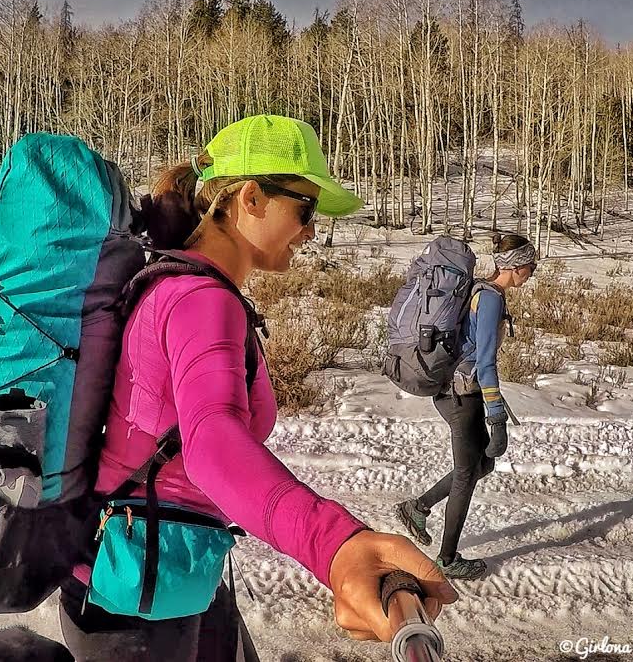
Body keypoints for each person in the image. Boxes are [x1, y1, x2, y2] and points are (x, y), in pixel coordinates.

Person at [58, 115, 458, 662]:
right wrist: (334, 547)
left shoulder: (182, 284)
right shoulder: (201, 299)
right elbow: (212, 441)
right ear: (250, 197)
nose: (313, 231)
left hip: (167, 570)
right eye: (305, 208)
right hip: (135, 596)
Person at [396, 234, 537, 580]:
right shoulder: (488, 300)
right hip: (461, 395)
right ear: (516, 267)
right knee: (466, 474)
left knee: (481, 464)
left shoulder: (480, 290)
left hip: (455, 389)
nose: (532, 273)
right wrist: (497, 418)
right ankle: (446, 558)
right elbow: (485, 362)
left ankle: (418, 507)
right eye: (531, 267)